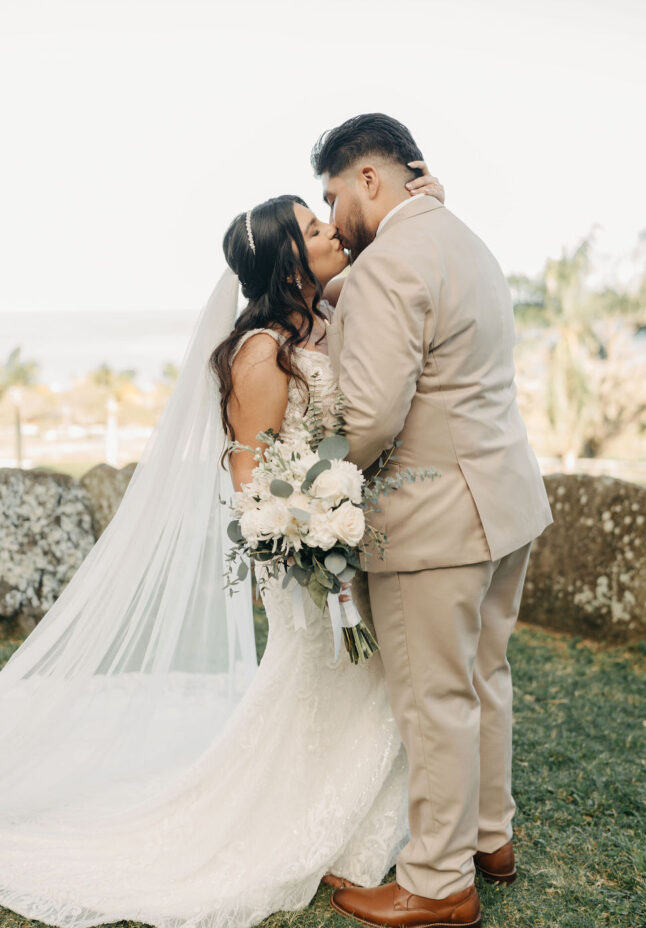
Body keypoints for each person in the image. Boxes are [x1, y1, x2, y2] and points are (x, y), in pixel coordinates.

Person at [0, 159, 447, 928]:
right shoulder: (261, 353)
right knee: (326, 687)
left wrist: (425, 201)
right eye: (313, 229)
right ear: (287, 261)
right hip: (303, 552)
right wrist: (308, 533)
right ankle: (283, 829)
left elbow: (390, 270)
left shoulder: (328, 316)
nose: (331, 231)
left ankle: (351, 833)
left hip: (347, 537)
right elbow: (250, 480)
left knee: (372, 688)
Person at [311, 113, 553, 928]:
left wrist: (311, 474)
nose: (333, 211)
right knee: (484, 675)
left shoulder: (388, 269)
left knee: (434, 699)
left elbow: (373, 416)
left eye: (333, 193)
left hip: (433, 520)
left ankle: (438, 880)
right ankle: (492, 836)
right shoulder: (463, 242)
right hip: (503, 502)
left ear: (369, 180)